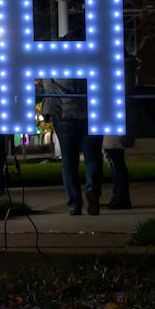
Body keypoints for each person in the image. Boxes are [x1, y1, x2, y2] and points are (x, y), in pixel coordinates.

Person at [42, 77, 102, 215]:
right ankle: (92, 190)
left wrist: (48, 112)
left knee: (69, 162)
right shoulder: (90, 63)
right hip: (90, 114)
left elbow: (49, 88)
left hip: (64, 116)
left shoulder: (55, 64)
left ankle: (74, 204)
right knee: (93, 158)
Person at [102, 134, 131, 209]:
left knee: (115, 162)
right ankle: (121, 197)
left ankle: (120, 198)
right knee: (116, 162)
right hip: (114, 135)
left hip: (112, 135)